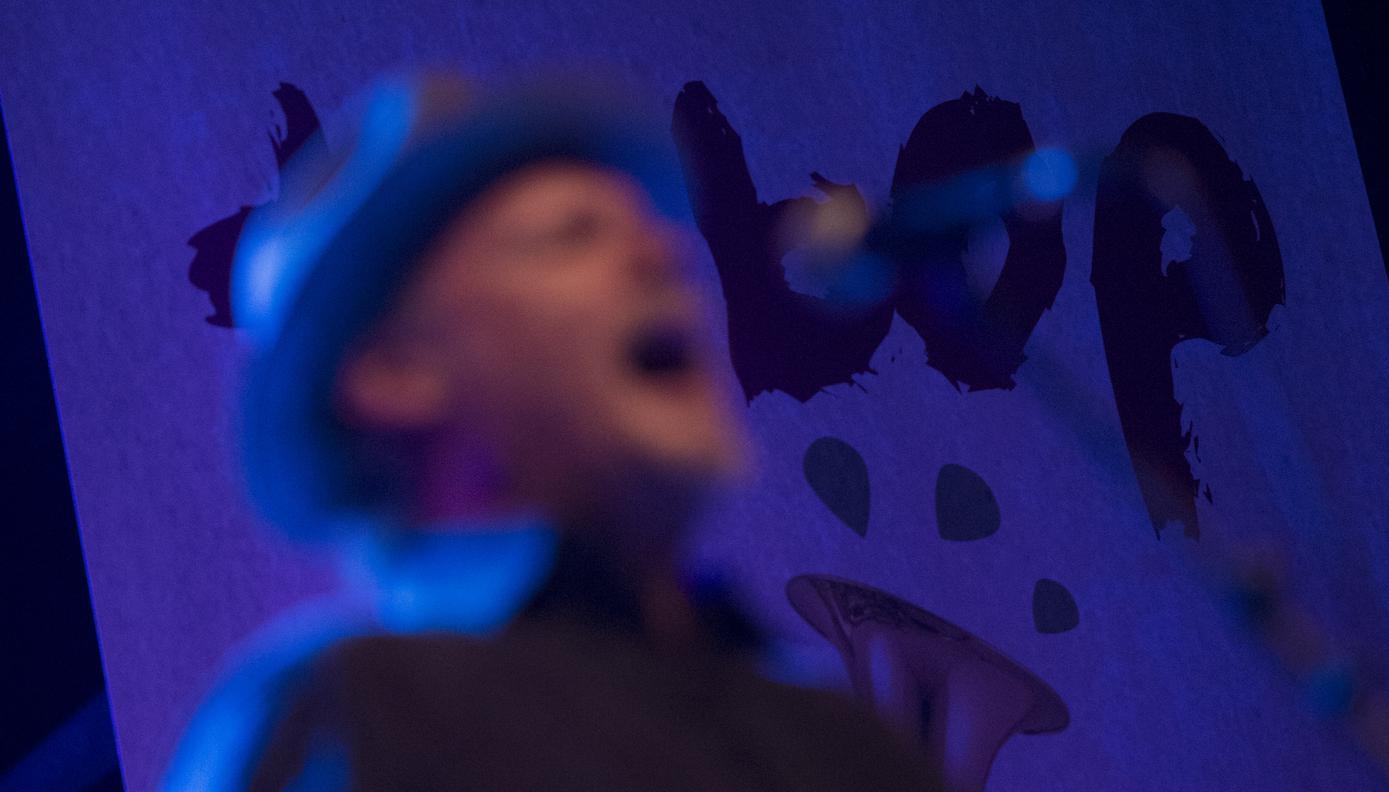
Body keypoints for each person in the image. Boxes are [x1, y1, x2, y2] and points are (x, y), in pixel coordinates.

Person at [162, 73, 942, 791]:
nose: (664, 253)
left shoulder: (843, 742)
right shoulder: (353, 712)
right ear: (397, 369)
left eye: (645, 228)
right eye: (571, 235)